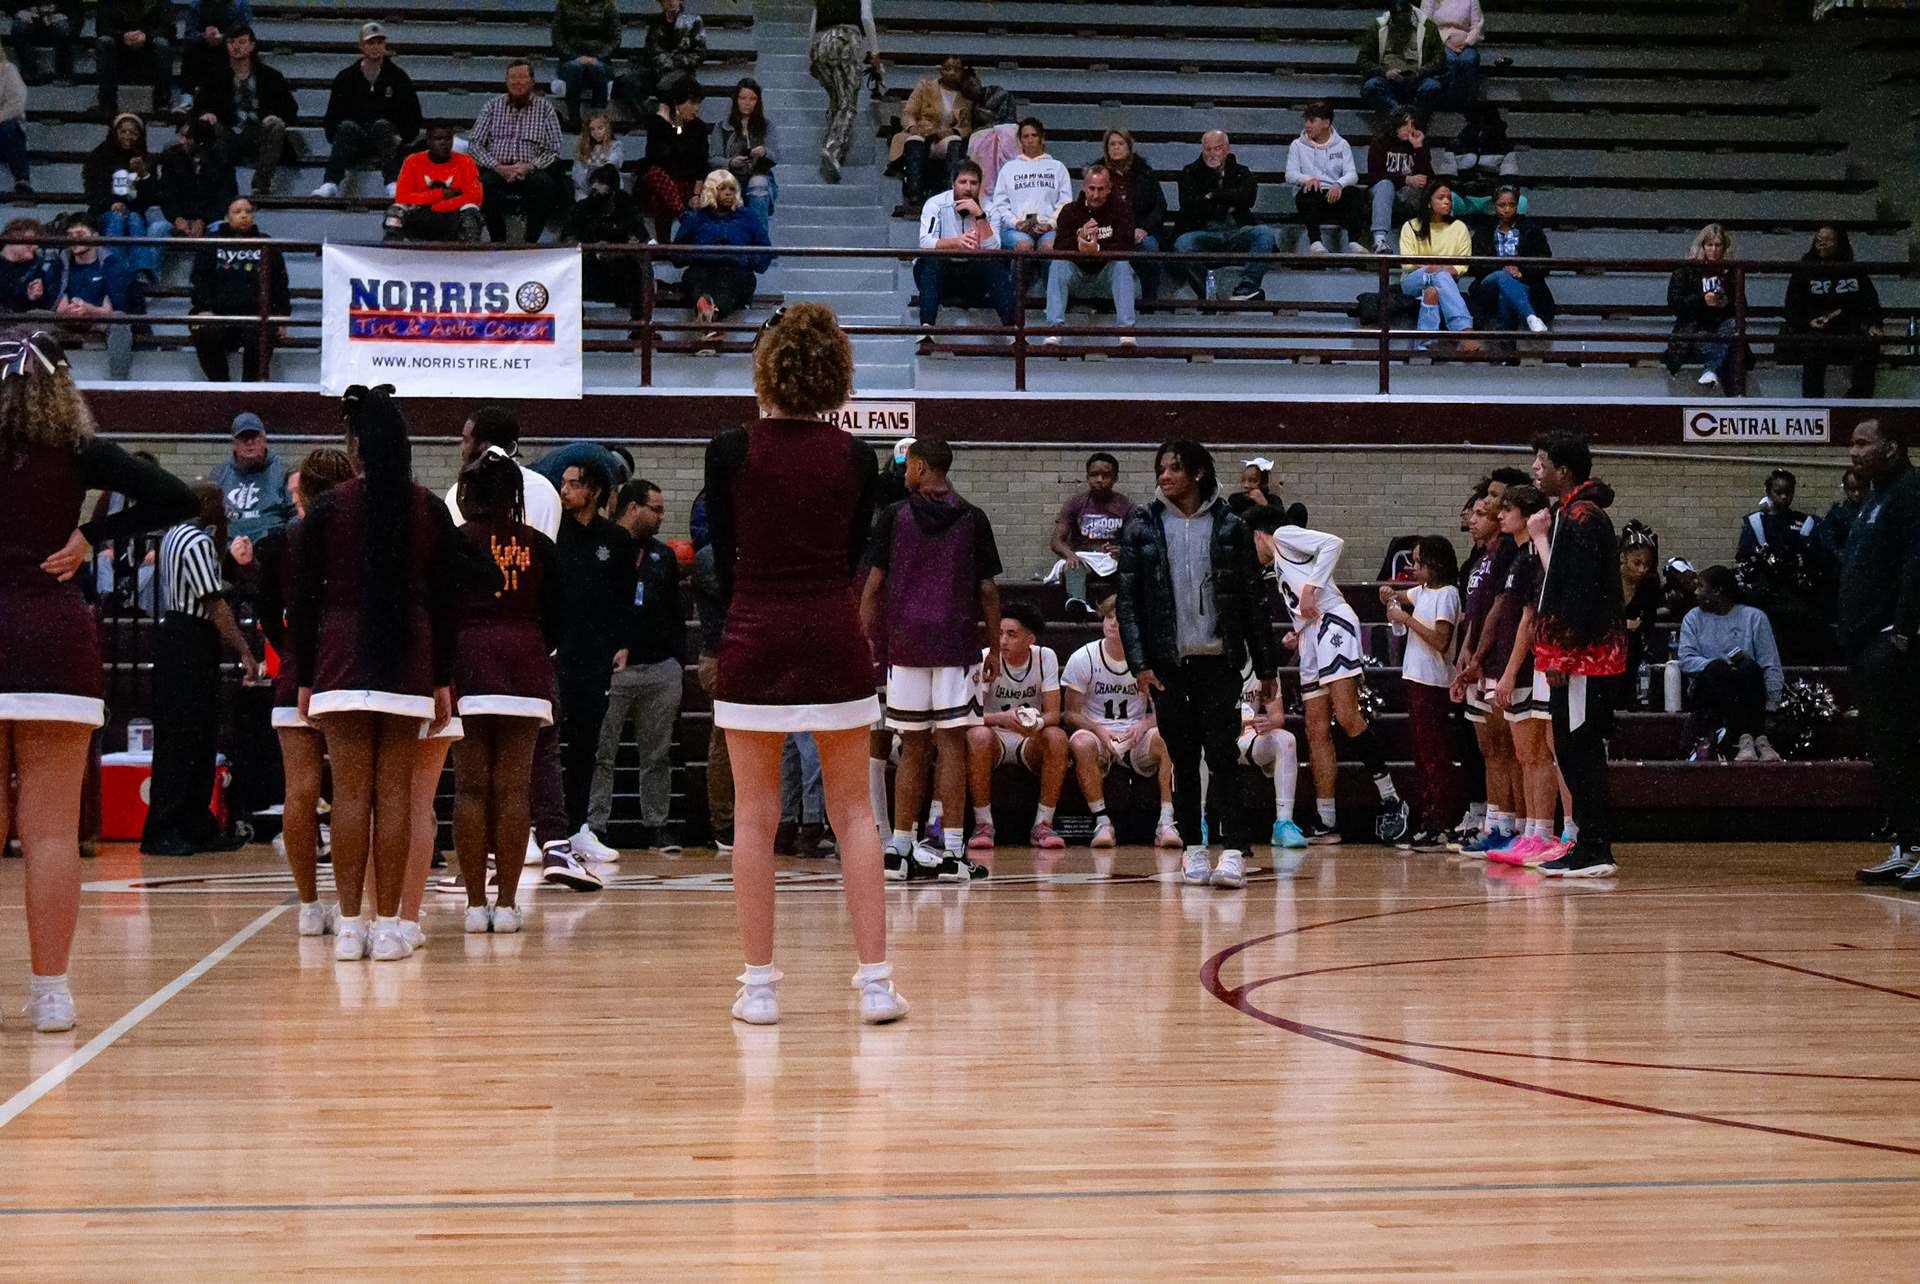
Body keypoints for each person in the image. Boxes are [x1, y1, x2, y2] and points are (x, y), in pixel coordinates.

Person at [706, 301, 908, 1024]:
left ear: (765, 367)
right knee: (855, 813)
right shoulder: (858, 457)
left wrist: (734, 626)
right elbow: (853, 555)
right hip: (832, 633)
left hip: (753, 634)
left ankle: (759, 988)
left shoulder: (728, 450)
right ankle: (876, 984)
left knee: (754, 815)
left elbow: (722, 556)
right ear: (836, 372)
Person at [0, 330, 194, 1030]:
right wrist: (93, 536)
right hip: (54, 637)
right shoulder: (80, 450)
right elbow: (177, 496)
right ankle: (52, 994)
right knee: (52, 832)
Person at [290, 386, 477, 962]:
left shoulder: (327, 508)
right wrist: (442, 678)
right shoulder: (428, 508)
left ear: (355, 446)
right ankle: (390, 927)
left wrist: (303, 677)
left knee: (350, 794)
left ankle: (349, 930)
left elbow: (303, 601)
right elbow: (447, 601)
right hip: (408, 660)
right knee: (396, 794)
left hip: (340, 658)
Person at [1117, 441, 1281, 889]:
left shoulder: (1230, 525)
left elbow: (1253, 600)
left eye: (1174, 468)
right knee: (1183, 758)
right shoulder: (1143, 526)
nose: (1164, 476)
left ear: (1198, 473)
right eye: (1160, 469)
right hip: (1167, 666)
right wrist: (1139, 663)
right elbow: (1128, 602)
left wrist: (1267, 666)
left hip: (1219, 661)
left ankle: (1234, 851)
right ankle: (1192, 848)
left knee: (1223, 754)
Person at [861, 436, 1003, 882]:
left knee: (912, 745)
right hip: (955, 645)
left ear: (921, 467)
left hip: (905, 646)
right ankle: (951, 853)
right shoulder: (973, 517)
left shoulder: (892, 516)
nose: (904, 472)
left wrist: (865, 640)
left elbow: (873, 585)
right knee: (951, 746)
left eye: (908, 465)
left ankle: (899, 848)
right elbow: (987, 590)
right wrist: (995, 647)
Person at [1245, 505, 1409, 845]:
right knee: (1315, 728)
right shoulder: (1278, 563)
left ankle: (1391, 797)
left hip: (1333, 621)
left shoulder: (1284, 536)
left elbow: (1334, 543)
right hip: (1311, 632)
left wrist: (1312, 587)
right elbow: (1303, 601)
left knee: (1347, 715)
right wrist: (1299, 630)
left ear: (1258, 534)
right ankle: (1326, 819)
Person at [450, 449, 563, 935]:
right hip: (524, 664)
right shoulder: (541, 545)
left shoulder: (453, 542)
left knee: (470, 787)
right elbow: (558, 618)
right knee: (514, 789)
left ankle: (475, 906)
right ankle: (509, 905)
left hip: (467, 665)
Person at [256, 447, 354, 939]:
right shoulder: (358, 536)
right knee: (352, 794)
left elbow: (266, 612)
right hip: (346, 669)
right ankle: (353, 906)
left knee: (299, 793)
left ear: (304, 491)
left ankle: (309, 908)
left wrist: (292, 649)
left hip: (297, 670)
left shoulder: (279, 540)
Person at [141, 479, 261, 856]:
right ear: (205, 505)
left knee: (197, 734)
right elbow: (213, 602)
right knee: (186, 736)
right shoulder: (197, 541)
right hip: (190, 638)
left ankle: (194, 823)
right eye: (218, 503)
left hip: (178, 636)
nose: (224, 511)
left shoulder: (172, 535)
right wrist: (244, 648)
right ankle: (163, 829)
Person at [1526, 430, 1626, 877]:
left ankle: (1595, 848)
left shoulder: (1584, 517)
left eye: (1542, 461)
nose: (1535, 468)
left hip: (1586, 659)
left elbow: (1580, 595)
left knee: (1579, 751)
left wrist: (1562, 656)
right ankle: (1587, 844)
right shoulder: (1569, 513)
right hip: (1576, 656)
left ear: (1563, 470)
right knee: (1570, 749)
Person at [1840, 421, 1920, 890]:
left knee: (1909, 746)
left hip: (1894, 644)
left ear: (1891, 447)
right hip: (1866, 643)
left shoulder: (1911, 491)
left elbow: (1917, 565)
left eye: (1861, 443)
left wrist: (1904, 630)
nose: (1852, 452)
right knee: (1888, 751)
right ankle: (1908, 846)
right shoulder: (1876, 497)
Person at [586, 478, 685, 854]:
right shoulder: (601, 547)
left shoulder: (665, 555)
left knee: (657, 754)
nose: (661, 517)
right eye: (655, 509)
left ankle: (656, 826)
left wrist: (677, 663)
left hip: (659, 668)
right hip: (613, 670)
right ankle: (594, 825)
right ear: (632, 508)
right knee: (601, 753)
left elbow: (676, 614)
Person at [550, 454, 637, 865]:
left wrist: (622, 644)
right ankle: (541, 830)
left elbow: (625, 600)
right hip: (555, 653)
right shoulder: (552, 533)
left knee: (586, 745)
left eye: (573, 484)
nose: (564, 490)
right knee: (545, 743)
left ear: (595, 492)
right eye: (563, 483)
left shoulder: (616, 540)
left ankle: (577, 829)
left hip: (594, 657)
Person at [1480, 485, 1560, 865]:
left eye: (1507, 509)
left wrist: (1510, 672)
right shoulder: (1517, 558)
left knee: (1540, 754)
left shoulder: (1536, 559)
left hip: (1531, 667)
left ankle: (1544, 832)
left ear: (1528, 514)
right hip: (1515, 666)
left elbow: (1529, 621)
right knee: (1525, 755)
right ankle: (1529, 832)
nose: (1499, 515)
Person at [1063, 595, 1176, 851]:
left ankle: (1167, 821)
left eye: (1121, 618)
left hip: (1135, 736)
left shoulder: (1149, 660)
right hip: (1098, 734)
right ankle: (1102, 821)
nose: (1113, 623)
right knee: (1080, 742)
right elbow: (1070, 714)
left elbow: (1165, 712)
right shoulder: (1083, 657)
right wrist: (1098, 728)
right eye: (1109, 617)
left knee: (1168, 736)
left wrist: (1143, 725)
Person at [962, 605, 1069, 851]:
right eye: (1000, 633)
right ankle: (983, 825)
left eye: (1011, 635)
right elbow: (971, 716)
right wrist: (1001, 718)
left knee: (1057, 736)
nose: (1003, 641)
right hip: (995, 736)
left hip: (1029, 738)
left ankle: (1043, 824)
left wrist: (1036, 724)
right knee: (977, 735)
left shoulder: (1045, 657)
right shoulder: (987, 657)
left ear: (1030, 639)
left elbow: (1053, 714)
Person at [1380, 535, 1461, 849]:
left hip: (1434, 683)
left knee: (1435, 756)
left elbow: (1440, 640)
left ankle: (1442, 822)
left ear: (1435, 564)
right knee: (1422, 755)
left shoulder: (1447, 594)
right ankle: (1429, 819)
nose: (1414, 568)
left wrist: (1407, 619)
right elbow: (1396, 596)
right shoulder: (1422, 591)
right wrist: (1388, 595)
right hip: (1416, 680)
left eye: (1419, 562)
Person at [1679, 564, 1784, 763]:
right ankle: (1744, 735)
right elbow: (1686, 660)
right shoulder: (1692, 618)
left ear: (1717, 590)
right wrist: (1722, 664)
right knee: (1719, 670)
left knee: (1749, 667)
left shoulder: (1754, 617)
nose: (1696, 592)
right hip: (1709, 688)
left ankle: (1755, 739)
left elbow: (1770, 663)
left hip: (1746, 686)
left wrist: (1772, 704)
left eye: (1701, 586)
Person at [313, 21, 421, 199]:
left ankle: (392, 182)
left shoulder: (398, 77)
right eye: (371, 42)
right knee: (347, 127)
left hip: (387, 141)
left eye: (380, 42)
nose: (376, 47)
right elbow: (332, 118)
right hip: (355, 142)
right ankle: (330, 183)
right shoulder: (346, 77)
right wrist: (337, 137)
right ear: (362, 46)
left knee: (382, 126)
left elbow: (413, 114)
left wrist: (403, 138)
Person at [187, 196, 287, 382]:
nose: (244, 216)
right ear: (227, 217)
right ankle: (219, 385)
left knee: (263, 333)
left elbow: (279, 283)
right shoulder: (211, 242)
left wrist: (281, 317)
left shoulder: (267, 243)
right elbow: (200, 279)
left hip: (255, 314)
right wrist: (203, 309)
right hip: (217, 312)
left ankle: (251, 387)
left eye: (248, 212)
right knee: (205, 331)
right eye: (237, 212)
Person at [190, 23, 296, 198]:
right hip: (228, 132)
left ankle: (261, 183)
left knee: (275, 124)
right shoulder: (214, 76)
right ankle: (219, 184)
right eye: (231, 42)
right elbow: (199, 107)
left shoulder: (271, 76)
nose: (236, 47)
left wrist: (270, 117)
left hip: (258, 133)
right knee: (208, 125)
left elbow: (290, 110)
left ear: (252, 45)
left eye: (242, 42)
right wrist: (206, 114)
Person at [470, 59, 569, 244]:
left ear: (532, 81)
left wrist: (529, 166)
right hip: (497, 168)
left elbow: (554, 148)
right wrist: (498, 167)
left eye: (522, 77)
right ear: (506, 81)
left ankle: (530, 240)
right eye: (513, 77)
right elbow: (475, 143)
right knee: (482, 184)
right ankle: (497, 239)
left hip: (531, 169)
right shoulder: (492, 106)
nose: (517, 82)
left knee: (546, 185)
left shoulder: (545, 109)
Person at [1780, 223, 1881, 400]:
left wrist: (1874, 324)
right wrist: (1808, 322)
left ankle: (1858, 401)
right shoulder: (1804, 272)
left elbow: (1871, 303)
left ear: (1840, 243)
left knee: (1868, 345)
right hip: (1817, 332)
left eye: (1828, 240)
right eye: (1818, 240)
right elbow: (1792, 308)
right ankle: (1813, 403)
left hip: (1849, 331)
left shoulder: (1854, 271)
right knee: (1814, 346)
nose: (1822, 243)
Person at [673, 169, 772, 347]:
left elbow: (764, 254)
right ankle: (711, 317)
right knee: (697, 280)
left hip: (737, 271)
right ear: (711, 190)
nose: (728, 193)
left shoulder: (748, 217)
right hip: (702, 269)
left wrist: (743, 258)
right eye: (722, 188)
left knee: (733, 284)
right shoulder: (695, 217)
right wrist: (703, 253)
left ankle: (710, 313)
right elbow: (676, 255)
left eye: (732, 189)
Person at [915, 158, 1015, 335]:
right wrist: (956, 242)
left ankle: (1012, 330)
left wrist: (979, 215)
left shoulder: (990, 209)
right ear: (953, 184)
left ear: (980, 186)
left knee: (994, 263)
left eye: (973, 183)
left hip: (973, 276)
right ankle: (927, 329)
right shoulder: (935, 204)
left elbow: (994, 249)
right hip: (942, 275)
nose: (968, 188)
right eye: (963, 182)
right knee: (932, 260)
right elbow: (925, 242)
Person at [1042, 162, 1137, 345]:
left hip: (1107, 279)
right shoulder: (1070, 211)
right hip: (1077, 279)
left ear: (1109, 188)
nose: (1095, 195)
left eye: (1101, 189)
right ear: (1083, 187)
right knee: (1058, 264)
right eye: (1092, 188)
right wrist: (1079, 241)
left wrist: (1097, 249)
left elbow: (1126, 245)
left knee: (1122, 264)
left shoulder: (1122, 210)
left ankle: (1126, 330)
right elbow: (1059, 246)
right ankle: (1054, 329)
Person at [1173, 130, 1272, 302]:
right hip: (1204, 232)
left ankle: (1248, 287)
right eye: (1208, 149)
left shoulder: (1241, 171)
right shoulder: (1189, 173)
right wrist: (1228, 204)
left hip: (1237, 231)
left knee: (1265, 234)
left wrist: (1214, 195)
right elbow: (1191, 205)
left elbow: (1248, 198)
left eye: (1217, 148)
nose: (1212, 154)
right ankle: (1207, 294)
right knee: (1183, 244)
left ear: (1227, 149)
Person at [445, 404, 562, 540]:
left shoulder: (541, 492)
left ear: (486, 447)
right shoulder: (544, 491)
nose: (462, 447)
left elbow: (542, 549)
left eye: (466, 440)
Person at [47, 220, 138, 379]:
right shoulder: (61, 264)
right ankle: (35, 383)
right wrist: (66, 311)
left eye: (80, 234)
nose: (74, 239)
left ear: (94, 236)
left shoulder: (111, 265)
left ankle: (119, 382)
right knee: (33, 317)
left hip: (98, 319)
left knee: (120, 322)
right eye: (70, 235)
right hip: (67, 318)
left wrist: (88, 309)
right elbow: (56, 303)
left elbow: (112, 309)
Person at [83, 113, 167, 282]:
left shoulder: (144, 159)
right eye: (123, 131)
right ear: (115, 133)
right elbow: (92, 193)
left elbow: (152, 199)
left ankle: (141, 272)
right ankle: (115, 272)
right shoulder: (98, 157)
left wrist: (144, 176)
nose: (128, 136)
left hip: (134, 213)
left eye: (134, 133)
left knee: (134, 218)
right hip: (104, 212)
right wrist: (111, 203)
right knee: (118, 216)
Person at [689, 540, 733, 853]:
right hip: (720, 656)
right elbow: (735, 600)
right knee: (725, 738)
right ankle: (723, 824)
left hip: (741, 652)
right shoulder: (708, 557)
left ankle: (752, 819)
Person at [1665, 223, 1746, 393]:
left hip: (1722, 329)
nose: (1714, 250)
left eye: (1718, 245)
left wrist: (1726, 302)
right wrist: (1702, 300)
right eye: (1710, 245)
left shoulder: (1731, 271)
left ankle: (1711, 370)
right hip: (1694, 330)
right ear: (1702, 246)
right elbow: (1675, 304)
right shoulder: (1686, 270)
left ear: (1725, 247)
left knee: (1733, 327)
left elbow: (1743, 307)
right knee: (1717, 343)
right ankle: (1733, 393)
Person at [1050, 451, 1135, 607]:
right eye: (1094, 475)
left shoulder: (1126, 506)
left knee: (1134, 567)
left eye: (1105, 475)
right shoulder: (1076, 503)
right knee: (1073, 566)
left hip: (1113, 560)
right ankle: (1078, 603)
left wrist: (1123, 551)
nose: (1099, 480)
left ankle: (1126, 607)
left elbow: (1137, 542)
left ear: (1115, 478)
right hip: (1084, 559)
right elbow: (1056, 541)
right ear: (1087, 477)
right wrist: (1070, 555)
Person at [808, 0, 879, 184]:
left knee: (836, 99)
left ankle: (832, 145)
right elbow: (866, 16)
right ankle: (832, 149)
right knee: (847, 102)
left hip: (821, 42)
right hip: (846, 38)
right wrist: (874, 50)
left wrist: (811, 55)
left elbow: (814, 20)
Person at [890, 55, 971, 213]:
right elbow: (908, 113)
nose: (952, 73)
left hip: (945, 137)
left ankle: (949, 193)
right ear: (940, 70)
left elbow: (966, 126)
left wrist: (950, 131)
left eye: (956, 69)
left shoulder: (965, 95)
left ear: (962, 72)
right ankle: (914, 194)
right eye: (948, 69)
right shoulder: (925, 87)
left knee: (955, 141)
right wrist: (913, 128)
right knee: (914, 140)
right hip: (923, 132)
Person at [635, 74, 711, 242]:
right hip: (659, 182)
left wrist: (696, 195)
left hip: (685, 185)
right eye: (692, 103)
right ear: (677, 103)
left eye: (698, 103)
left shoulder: (699, 128)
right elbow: (656, 160)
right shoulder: (658, 124)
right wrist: (673, 130)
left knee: (661, 199)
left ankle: (664, 245)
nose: (697, 109)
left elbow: (701, 165)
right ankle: (681, 215)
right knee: (656, 178)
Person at [1467, 186, 1552, 334]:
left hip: (1524, 282)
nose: (1507, 210)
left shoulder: (1531, 229)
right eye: (1502, 205)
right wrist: (1503, 269)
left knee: (1506, 295)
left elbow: (1544, 261)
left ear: (1517, 205)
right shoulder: (1484, 231)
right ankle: (1531, 317)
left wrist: (1521, 272)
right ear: (1494, 206)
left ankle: (1506, 342)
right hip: (1489, 284)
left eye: (1511, 205)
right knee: (1502, 276)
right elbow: (1475, 265)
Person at [562, 163, 647, 310]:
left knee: (633, 269)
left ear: (612, 188)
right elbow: (568, 238)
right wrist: (590, 250)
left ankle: (635, 319)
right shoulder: (581, 208)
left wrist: (614, 252)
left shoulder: (628, 208)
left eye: (601, 183)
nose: (595, 187)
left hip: (620, 263)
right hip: (589, 261)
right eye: (593, 182)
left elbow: (639, 239)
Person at [385, 121, 483, 243]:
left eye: (448, 139)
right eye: (438, 139)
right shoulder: (413, 161)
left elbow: (475, 195)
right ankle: (392, 249)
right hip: (420, 212)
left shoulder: (465, 162)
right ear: (429, 141)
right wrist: (441, 194)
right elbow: (403, 196)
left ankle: (468, 251)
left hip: (452, 213)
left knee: (471, 213)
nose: (443, 143)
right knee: (395, 212)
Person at [1400, 182, 1472, 343]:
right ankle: (1463, 328)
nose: (1447, 201)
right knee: (1437, 272)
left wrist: (1437, 269)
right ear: (1429, 202)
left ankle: (1424, 347)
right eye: (1441, 198)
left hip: (1445, 283)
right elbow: (1407, 263)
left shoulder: (1459, 227)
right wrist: (1435, 268)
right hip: (1413, 281)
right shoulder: (1411, 226)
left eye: (1449, 198)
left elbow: (1462, 266)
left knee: (1432, 292)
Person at [1286, 102, 1362, 255]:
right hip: (1311, 197)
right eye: (1306, 120)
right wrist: (1308, 179)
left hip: (1334, 195)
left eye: (1312, 120)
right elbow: (1290, 174)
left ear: (1326, 123)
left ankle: (1354, 242)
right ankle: (1315, 242)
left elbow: (1352, 174)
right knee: (1311, 191)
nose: (1307, 125)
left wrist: (1339, 184)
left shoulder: (1342, 145)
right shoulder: (1297, 145)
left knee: (1354, 193)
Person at [1101, 129, 1168, 299]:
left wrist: (1143, 228)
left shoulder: (1145, 172)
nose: (1116, 147)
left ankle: (1149, 302)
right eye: (1112, 144)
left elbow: (1160, 206)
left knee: (1150, 246)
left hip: (1139, 231)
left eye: (1120, 143)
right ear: (1106, 149)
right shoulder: (1098, 174)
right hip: (1107, 233)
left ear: (1129, 147)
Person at [990, 118, 1071, 253]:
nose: (1030, 140)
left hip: (1048, 228)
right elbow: (1000, 204)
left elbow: (1065, 202)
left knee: (1049, 247)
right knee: (1024, 246)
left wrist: (1051, 224)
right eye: (1025, 136)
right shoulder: (1009, 168)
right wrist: (1015, 223)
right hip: (1015, 229)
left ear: (1042, 138)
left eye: (1034, 135)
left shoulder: (1058, 167)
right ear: (1019, 141)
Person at [615, 0, 705, 121]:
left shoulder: (694, 21)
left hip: (682, 73)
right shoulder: (656, 22)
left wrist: (673, 61)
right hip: (657, 70)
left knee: (665, 86)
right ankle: (647, 118)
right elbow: (651, 51)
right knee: (627, 81)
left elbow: (699, 54)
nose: (670, 2)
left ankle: (668, 120)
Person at [211, 410, 291, 545]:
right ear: (234, 444)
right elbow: (208, 516)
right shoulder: (219, 474)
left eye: (254, 437)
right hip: (229, 547)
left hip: (269, 546)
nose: (249, 443)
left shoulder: (282, 472)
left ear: (264, 440)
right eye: (243, 438)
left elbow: (295, 512)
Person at [1364, 107, 1433, 257]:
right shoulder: (1380, 143)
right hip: (1382, 194)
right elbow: (1375, 176)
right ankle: (1380, 240)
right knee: (1385, 185)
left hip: (1410, 195)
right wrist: (1406, 179)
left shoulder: (1418, 144)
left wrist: (1418, 148)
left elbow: (1427, 176)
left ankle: (1426, 240)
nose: (1410, 129)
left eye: (1413, 125)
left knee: (1430, 192)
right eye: (1405, 124)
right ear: (1395, 125)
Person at [1357, 0, 1444, 118]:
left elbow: (1440, 58)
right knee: (1371, 86)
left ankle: (1415, 119)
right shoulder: (1378, 28)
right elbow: (1362, 60)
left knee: (1432, 87)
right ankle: (1400, 117)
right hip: (1388, 81)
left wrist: (1420, 72)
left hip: (1417, 80)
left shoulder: (1428, 28)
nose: (1402, 27)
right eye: (1398, 22)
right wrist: (1384, 73)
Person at [159, 116, 238, 239]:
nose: (181, 141)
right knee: (157, 229)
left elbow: (225, 198)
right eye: (181, 136)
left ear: (200, 141)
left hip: (211, 220)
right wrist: (177, 218)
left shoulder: (222, 163)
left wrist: (204, 220)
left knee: (221, 228)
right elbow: (167, 195)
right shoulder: (172, 159)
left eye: (187, 137)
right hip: (178, 219)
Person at [712, 77, 778, 223]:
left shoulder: (767, 126)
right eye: (743, 98)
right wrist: (730, 163)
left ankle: (758, 234)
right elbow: (713, 159)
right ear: (736, 100)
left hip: (758, 174)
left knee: (758, 183)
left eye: (752, 99)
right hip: (731, 176)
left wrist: (764, 152)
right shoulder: (722, 127)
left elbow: (775, 156)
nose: (747, 103)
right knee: (731, 187)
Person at [94, 0, 174, 119]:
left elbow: (168, 29)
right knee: (104, 42)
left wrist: (146, 36)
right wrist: (123, 36)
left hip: (149, 48)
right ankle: (107, 104)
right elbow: (101, 27)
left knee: (163, 44)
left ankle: (162, 104)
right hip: (119, 47)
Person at [550, 0, 619, 130]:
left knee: (598, 68)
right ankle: (574, 118)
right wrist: (576, 57)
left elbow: (615, 40)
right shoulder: (564, 4)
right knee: (574, 67)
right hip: (569, 61)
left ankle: (598, 119)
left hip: (601, 61)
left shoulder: (607, 4)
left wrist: (597, 57)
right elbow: (558, 40)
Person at [178, 0, 246, 101]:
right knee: (190, 46)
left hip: (227, 49)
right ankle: (187, 95)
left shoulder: (239, 5)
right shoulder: (196, 5)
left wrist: (222, 37)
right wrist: (206, 36)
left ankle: (238, 94)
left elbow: (243, 33)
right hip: (203, 48)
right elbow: (189, 34)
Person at [1421, 0, 1484, 107]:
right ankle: (1448, 101)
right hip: (1440, 42)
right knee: (1450, 60)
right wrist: (1444, 42)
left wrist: (1467, 42)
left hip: (1466, 42)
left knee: (1468, 60)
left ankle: (1471, 102)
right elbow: (1426, 23)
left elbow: (1477, 25)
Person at [10, 0, 79, 86]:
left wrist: (64, 14)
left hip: (57, 13)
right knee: (20, 27)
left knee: (63, 28)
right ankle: (29, 74)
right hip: (29, 13)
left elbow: (76, 8)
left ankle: (64, 75)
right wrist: (19, 12)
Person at [572, 110, 624, 201]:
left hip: (608, 188)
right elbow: (578, 174)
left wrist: (599, 166)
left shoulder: (615, 146)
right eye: (592, 129)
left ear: (607, 129)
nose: (596, 132)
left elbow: (614, 163)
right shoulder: (583, 149)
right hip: (587, 189)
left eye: (600, 128)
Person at [0, 47, 27, 197]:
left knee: (8, 127)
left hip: (3, 132)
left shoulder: (8, 70)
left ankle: (22, 180)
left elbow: (16, 104)